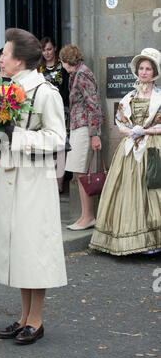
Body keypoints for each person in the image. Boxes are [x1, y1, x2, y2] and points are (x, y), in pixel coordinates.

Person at [0, 28, 67, 345]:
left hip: (34, 180)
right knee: (18, 248)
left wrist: (16, 136)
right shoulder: (2, 89)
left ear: (19, 59)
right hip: (8, 176)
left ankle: (36, 320)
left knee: (34, 247)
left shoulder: (46, 92)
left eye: (5, 52)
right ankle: (22, 317)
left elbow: (58, 138)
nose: (1, 57)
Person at [89, 48, 161, 256]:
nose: (144, 72)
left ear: (154, 71)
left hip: (154, 147)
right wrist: (131, 132)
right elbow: (120, 123)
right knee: (129, 190)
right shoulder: (128, 97)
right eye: (141, 68)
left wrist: (145, 130)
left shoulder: (159, 97)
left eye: (148, 68)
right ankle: (133, 241)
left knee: (153, 190)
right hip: (130, 148)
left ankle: (154, 240)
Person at [59, 45, 104, 230]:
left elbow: (93, 105)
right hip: (78, 126)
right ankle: (85, 216)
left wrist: (95, 134)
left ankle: (89, 217)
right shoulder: (75, 74)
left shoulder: (82, 74)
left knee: (81, 173)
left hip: (85, 127)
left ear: (66, 60)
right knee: (79, 173)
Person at [39, 37, 71, 193]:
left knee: (61, 148)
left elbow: (66, 89)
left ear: (55, 49)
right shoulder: (39, 69)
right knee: (48, 147)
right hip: (44, 112)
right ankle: (48, 183)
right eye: (44, 50)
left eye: (49, 49)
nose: (47, 53)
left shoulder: (62, 67)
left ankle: (59, 184)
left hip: (61, 111)